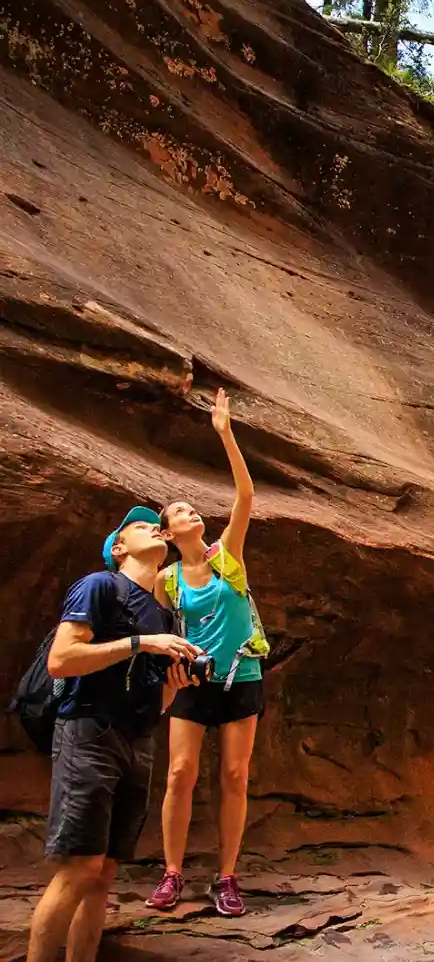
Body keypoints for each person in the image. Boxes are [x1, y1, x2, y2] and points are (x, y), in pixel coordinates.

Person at [2, 509, 201, 962]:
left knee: (106, 871)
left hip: (137, 740)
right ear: (117, 548)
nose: (155, 528)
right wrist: (140, 645)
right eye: (140, 527)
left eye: (155, 524)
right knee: (79, 866)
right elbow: (65, 659)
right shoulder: (100, 586)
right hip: (88, 729)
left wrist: (174, 680)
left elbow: (159, 699)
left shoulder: (166, 614)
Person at [146, 389, 264, 918]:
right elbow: (158, 628)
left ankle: (227, 877)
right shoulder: (166, 580)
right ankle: (172, 874)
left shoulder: (226, 556)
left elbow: (245, 495)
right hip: (192, 680)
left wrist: (225, 433)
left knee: (235, 776)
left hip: (242, 674)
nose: (191, 512)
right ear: (169, 534)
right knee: (179, 773)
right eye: (179, 512)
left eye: (192, 507)